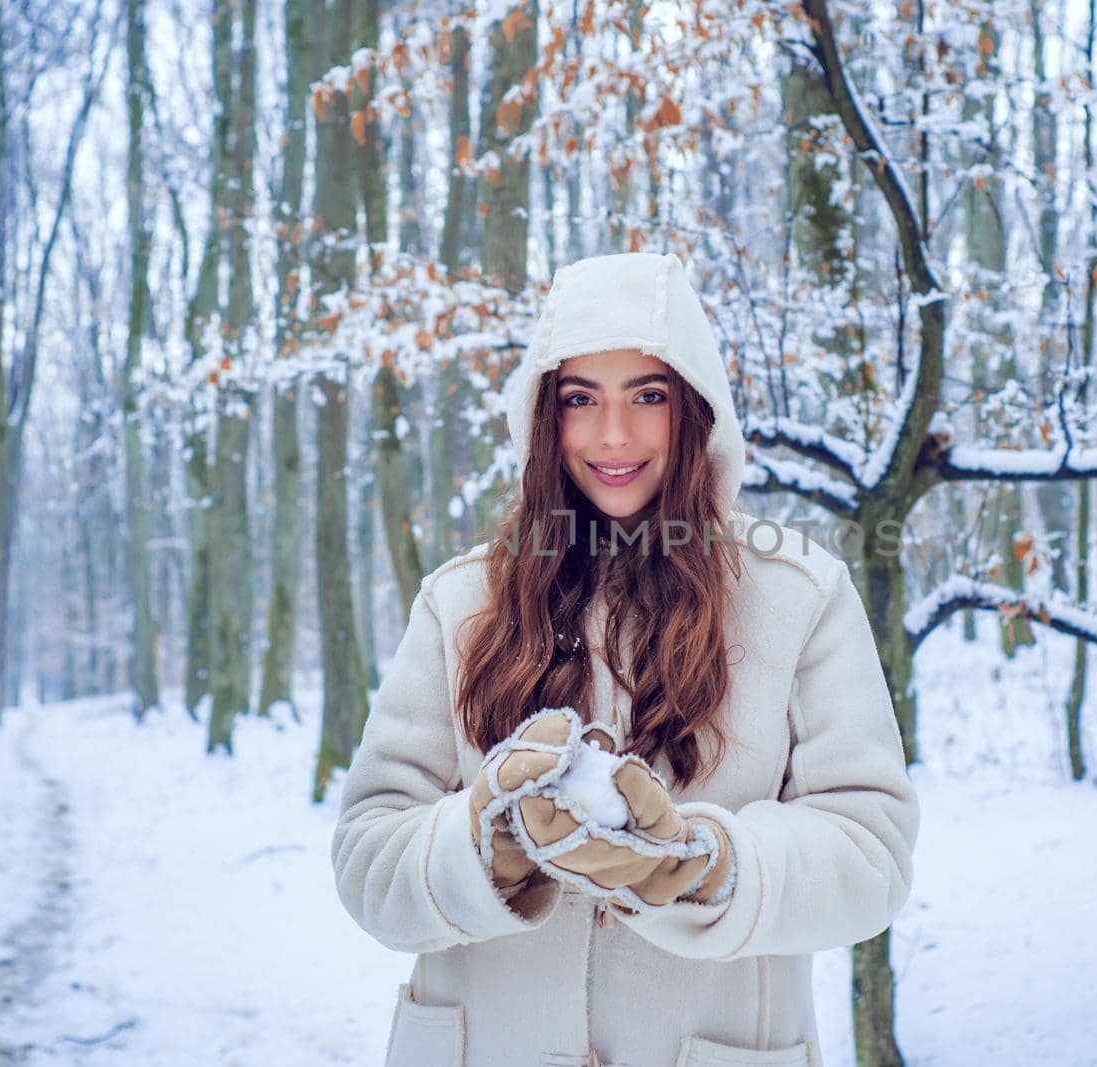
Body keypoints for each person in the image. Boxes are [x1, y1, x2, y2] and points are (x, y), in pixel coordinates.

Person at [330, 251, 920, 1067]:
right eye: (581, 399)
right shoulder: (459, 603)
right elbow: (368, 853)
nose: (614, 434)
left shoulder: (800, 597)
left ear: (698, 411)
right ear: (544, 417)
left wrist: (701, 866)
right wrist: (483, 846)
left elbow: (870, 852)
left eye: (648, 395)